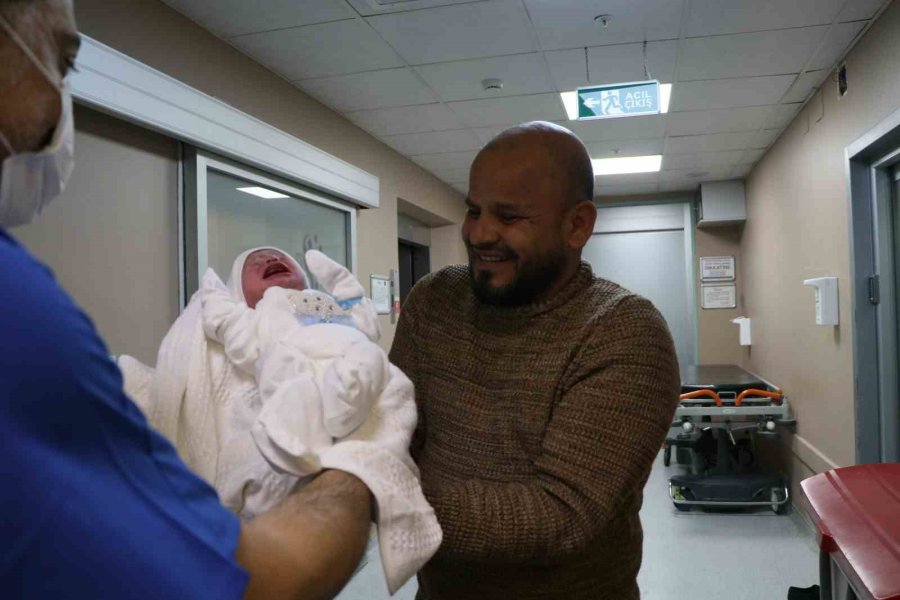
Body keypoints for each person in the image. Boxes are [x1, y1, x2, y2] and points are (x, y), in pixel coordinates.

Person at [0, 1, 399, 597]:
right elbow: (261, 577)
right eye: (62, 61)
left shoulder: (325, 319)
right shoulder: (26, 317)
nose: (62, 97)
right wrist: (370, 457)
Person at [390, 121, 681, 600]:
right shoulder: (433, 302)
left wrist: (376, 499)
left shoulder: (624, 332)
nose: (479, 233)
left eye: (508, 217)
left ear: (577, 225)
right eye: (474, 210)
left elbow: (559, 516)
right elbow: (393, 434)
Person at [119, 246, 440, 592]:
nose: (268, 259)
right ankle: (296, 439)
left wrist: (345, 287)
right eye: (252, 263)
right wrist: (213, 295)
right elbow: (230, 329)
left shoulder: (323, 304)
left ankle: (338, 414)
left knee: (385, 375)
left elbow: (362, 320)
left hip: (349, 360)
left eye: (279, 256)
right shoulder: (256, 318)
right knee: (280, 378)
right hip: (294, 370)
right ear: (239, 294)